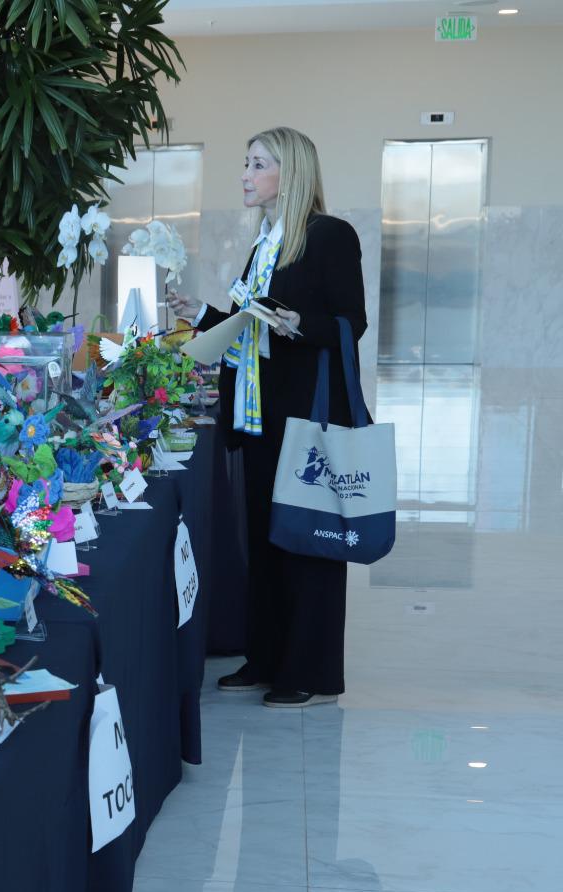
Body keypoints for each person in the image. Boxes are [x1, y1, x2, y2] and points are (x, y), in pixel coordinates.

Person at [164, 127, 367, 708]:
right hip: (258, 416)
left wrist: (298, 323)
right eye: (246, 163)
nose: (246, 175)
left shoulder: (329, 235)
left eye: (258, 164)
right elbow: (247, 324)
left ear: (290, 171)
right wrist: (204, 314)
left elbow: (351, 322)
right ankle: (265, 657)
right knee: (266, 539)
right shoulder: (266, 243)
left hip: (304, 415)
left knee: (308, 542)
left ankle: (308, 672)